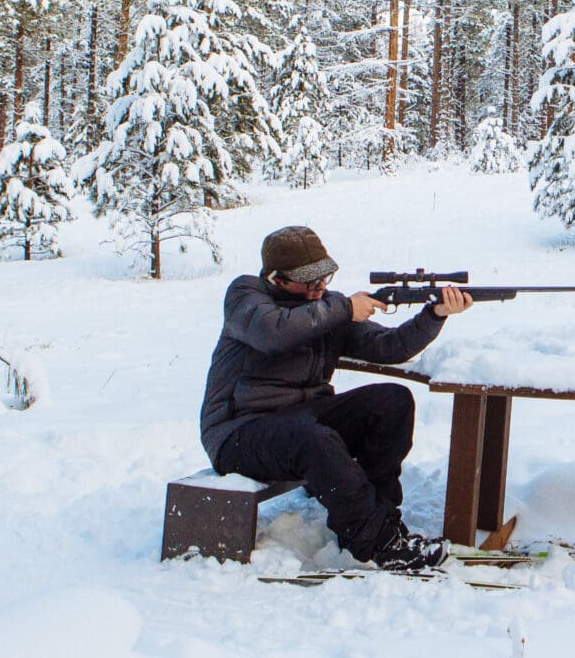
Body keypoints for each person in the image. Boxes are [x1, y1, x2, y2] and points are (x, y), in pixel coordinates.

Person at [200, 225, 473, 570]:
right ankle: (375, 542)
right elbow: (273, 331)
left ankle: (380, 522)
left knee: (393, 401)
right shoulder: (246, 296)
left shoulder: (327, 307)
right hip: (239, 432)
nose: (319, 288)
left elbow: (389, 347)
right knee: (312, 439)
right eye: (309, 281)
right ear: (276, 279)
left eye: (324, 278)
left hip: (302, 418)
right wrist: (344, 308)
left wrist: (433, 315)